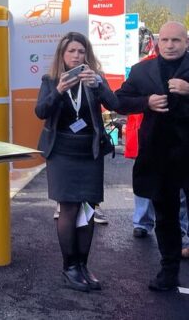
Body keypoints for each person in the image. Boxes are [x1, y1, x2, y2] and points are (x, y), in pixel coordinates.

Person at [35, 32, 119, 292]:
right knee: (69, 208)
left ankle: (82, 265)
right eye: (71, 51)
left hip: (88, 151)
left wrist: (99, 86)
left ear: (87, 55)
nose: (76, 56)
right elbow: (41, 112)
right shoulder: (51, 80)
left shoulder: (95, 79)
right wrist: (59, 91)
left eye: (81, 52)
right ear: (63, 54)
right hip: (62, 151)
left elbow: (115, 103)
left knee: (89, 208)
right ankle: (69, 268)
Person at [116, 21, 189, 291]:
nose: (170, 45)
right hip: (159, 158)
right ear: (158, 42)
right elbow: (119, 100)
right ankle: (168, 271)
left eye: (176, 41)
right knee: (165, 217)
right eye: (165, 40)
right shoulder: (141, 70)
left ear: (186, 43)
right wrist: (145, 102)